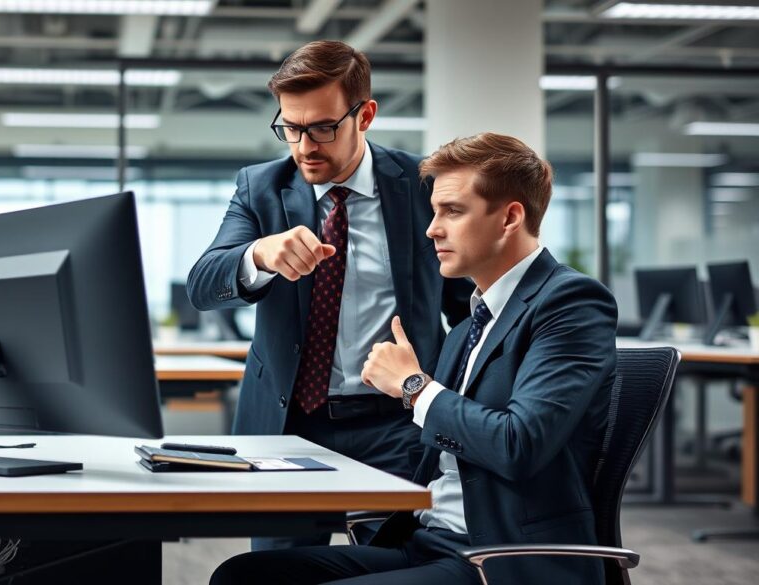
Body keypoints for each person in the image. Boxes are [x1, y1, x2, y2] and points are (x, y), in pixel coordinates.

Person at [210, 132, 619, 585]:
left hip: (497, 556)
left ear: (510, 218)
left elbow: (517, 445)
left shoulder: (570, 303)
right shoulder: (469, 324)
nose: (432, 229)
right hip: (427, 542)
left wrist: (414, 386)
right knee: (243, 576)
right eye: (435, 211)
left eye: (453, 211)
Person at [186, 40, 472, 550]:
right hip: (289, 422)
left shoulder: (423, 185)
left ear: (365, 115)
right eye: (290, 128)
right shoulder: (260, 188)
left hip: (395, 423)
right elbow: (203, 284)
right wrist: (259, 255)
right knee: (276, 575)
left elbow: (469, 306)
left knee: (399, 569)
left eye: (322, 128)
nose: (304, 147)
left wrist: (445, 395)